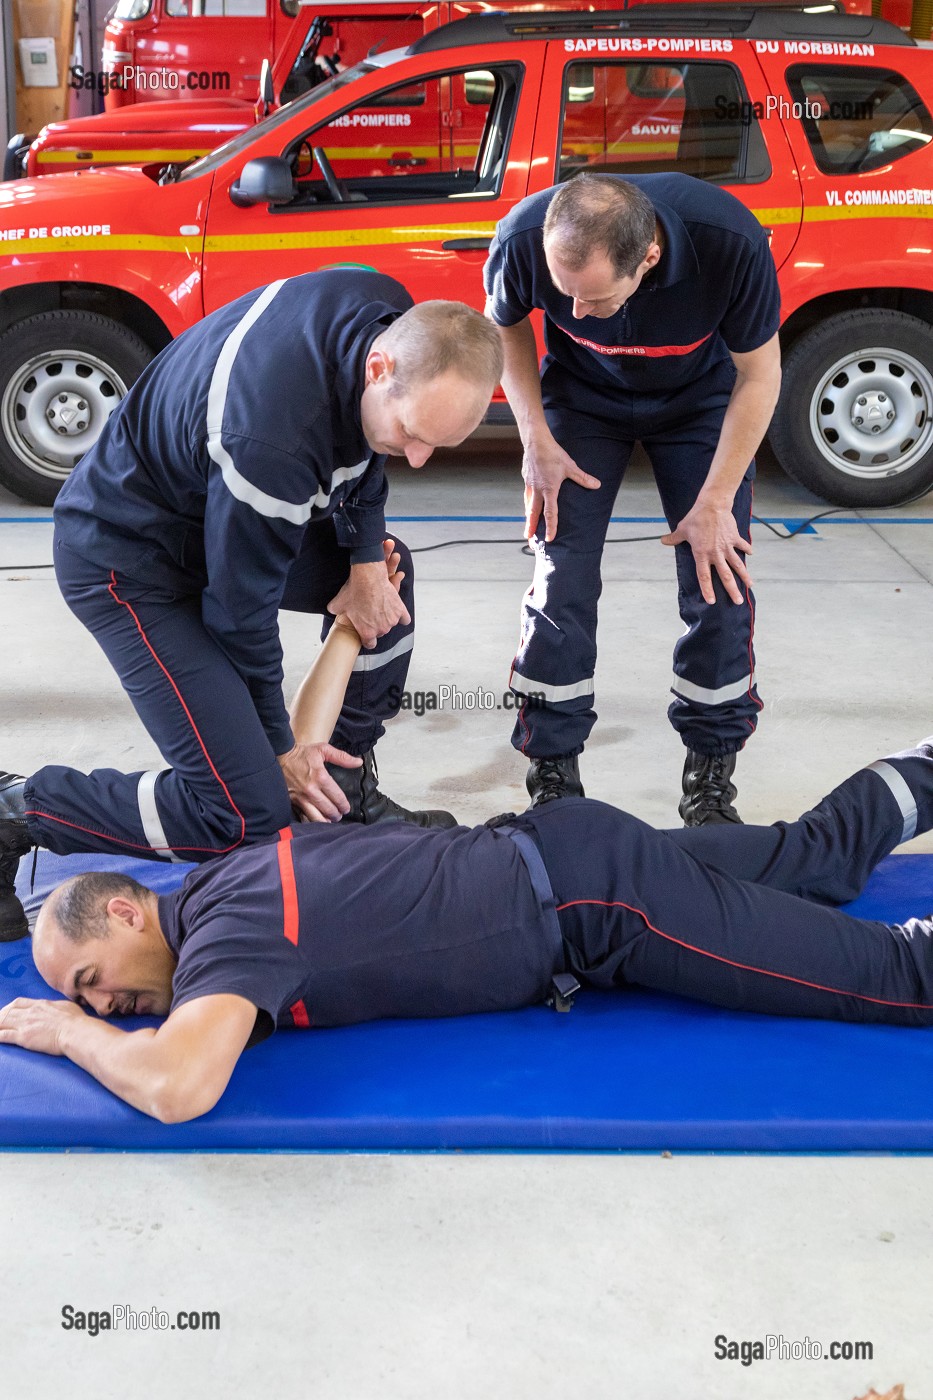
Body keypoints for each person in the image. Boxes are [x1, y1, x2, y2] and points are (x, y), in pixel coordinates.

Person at [1, 737, 931, 1124]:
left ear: (127, 908)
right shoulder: (226, 878)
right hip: (566, 849)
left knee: (898, 978)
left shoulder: (230, 936)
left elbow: (177, 1088)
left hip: (595, 901)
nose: (107, 1005)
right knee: (817, 856)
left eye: (89, 978)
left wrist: (69, 1034)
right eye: (87, 1002)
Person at [0, 270, 505, 940]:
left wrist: (361, 565)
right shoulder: (271, 436)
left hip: (212, 521)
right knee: (242, 817)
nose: (416, 457)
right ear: (378, 367)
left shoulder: (383, 312)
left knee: (388, 577)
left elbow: (368, 460)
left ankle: (340, 793)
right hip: (126, 561)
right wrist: (281, 751)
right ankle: (20, 806)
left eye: (437, 443)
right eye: (412, 431)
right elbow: (240, 619)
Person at [483, 172, 782, 823]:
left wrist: (715, 500)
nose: (577, 312)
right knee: (559, 573)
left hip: (698, 404)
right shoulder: (522, 238)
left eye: (593, 298)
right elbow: (503, 325)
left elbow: (760, 374)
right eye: (565, 296)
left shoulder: (726, 240)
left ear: (648, 255)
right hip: (581, 401)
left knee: (717, 573)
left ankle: (709, 775)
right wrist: (534, 438)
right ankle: (553, 771)